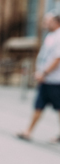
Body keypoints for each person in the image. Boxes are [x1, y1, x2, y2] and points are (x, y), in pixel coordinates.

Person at [18, 12, 60, 142]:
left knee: (57, 108)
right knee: (39, 105)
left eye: (47, 21)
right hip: (47, 80)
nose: (44, 23)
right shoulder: (51, 36)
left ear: (55, 22)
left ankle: (28, 131)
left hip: (55, 80)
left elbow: (57, 58)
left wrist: (44, 73)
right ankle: (28, 131)